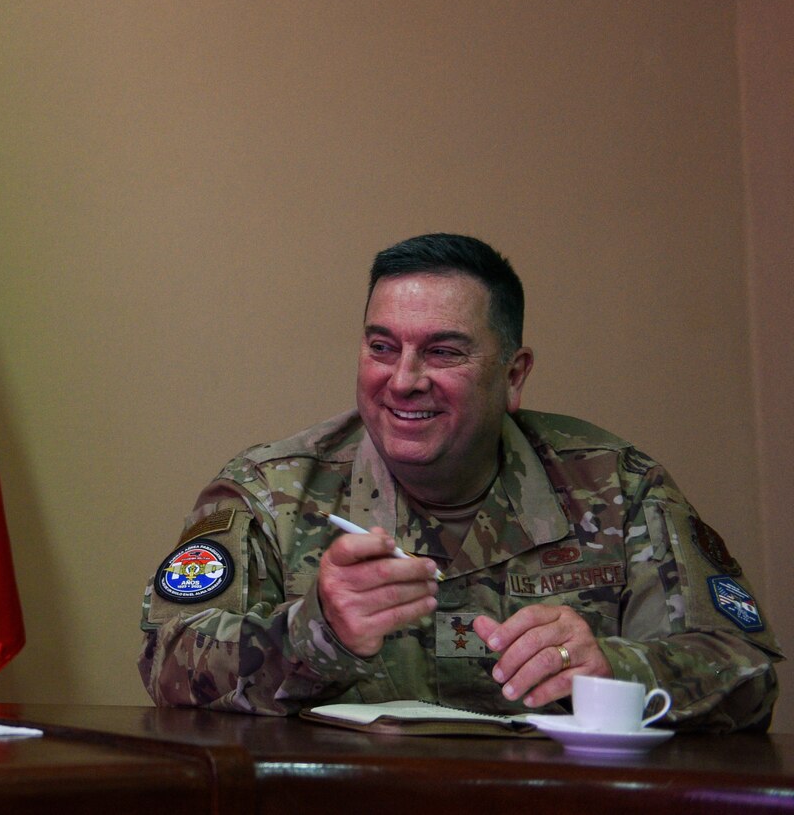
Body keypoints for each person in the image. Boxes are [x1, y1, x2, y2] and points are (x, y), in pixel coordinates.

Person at [140, 233, 779, 731]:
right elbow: (168, 661)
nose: (404, 379)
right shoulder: (271, 493)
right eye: (382, 347)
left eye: (443, 352)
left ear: (513, 373)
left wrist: (617, 669)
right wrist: (317, 634)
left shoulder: (618, 486)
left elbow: (745, 675)